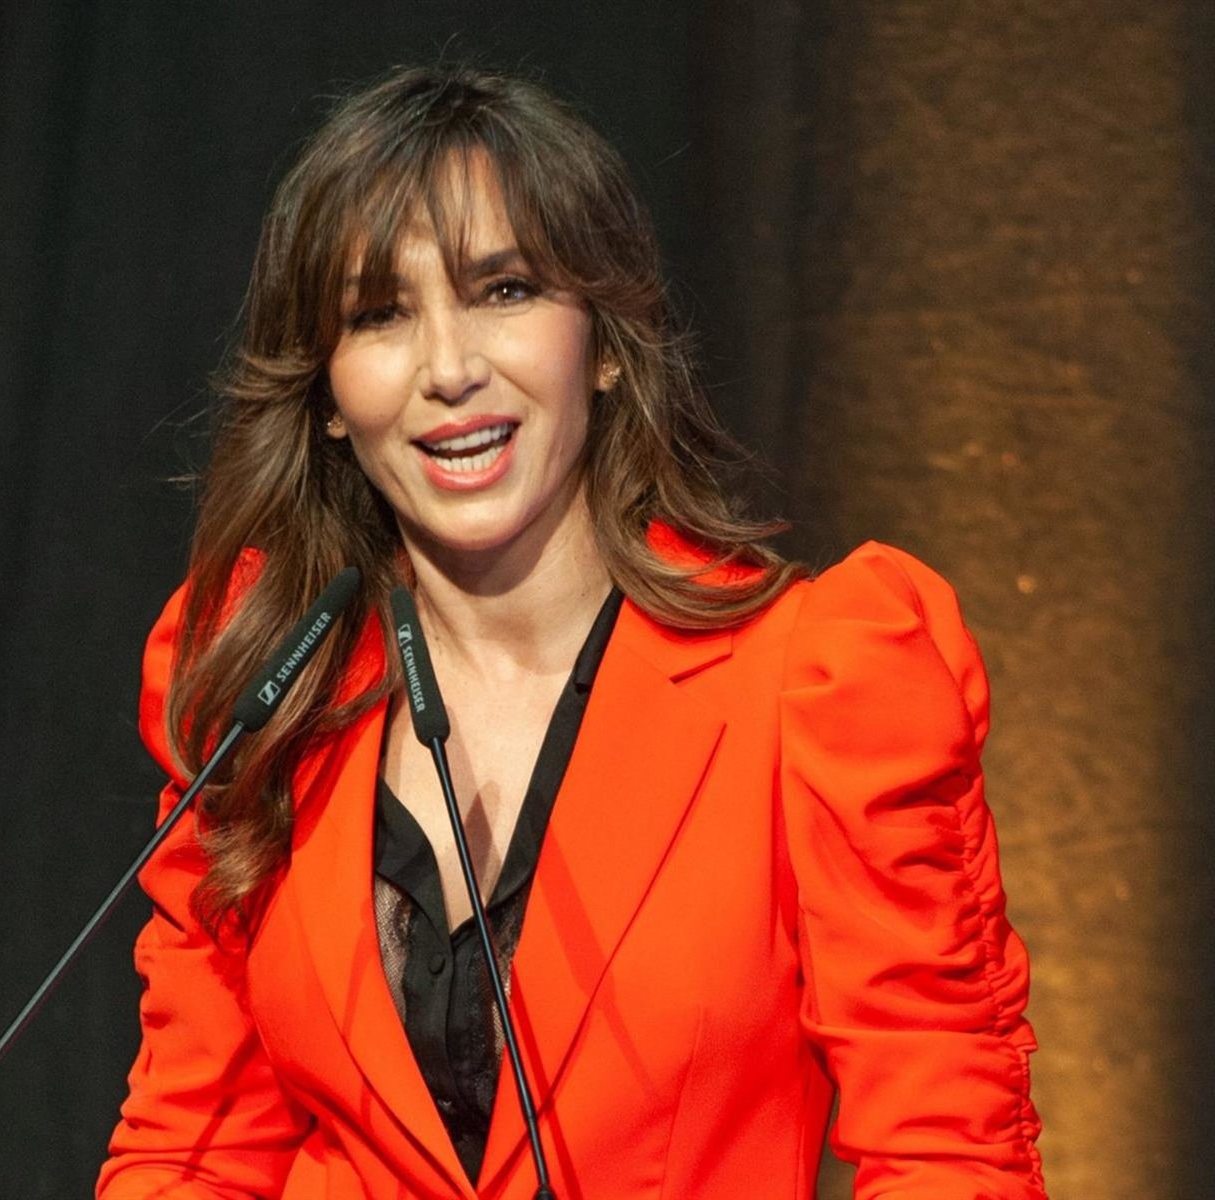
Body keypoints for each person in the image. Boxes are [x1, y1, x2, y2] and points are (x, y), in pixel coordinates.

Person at [97, 65, 1045, 1200]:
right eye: (380, 315)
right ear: (330, 397)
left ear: (603, 342)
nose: (449, 370)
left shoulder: (815, 682)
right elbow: (191, 1156)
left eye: (503, 291)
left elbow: (950, 1156)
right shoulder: (267, 694)